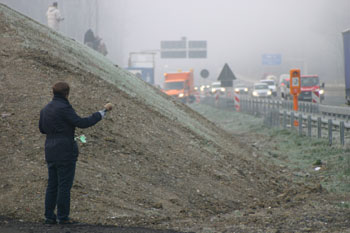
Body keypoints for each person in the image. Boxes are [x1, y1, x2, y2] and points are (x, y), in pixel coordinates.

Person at [39, 82, 112, 224]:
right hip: (65, 150)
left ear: (53, 92)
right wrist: (101, 113)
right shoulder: (64, 108)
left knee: (52, 185)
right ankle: (63, 217)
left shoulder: (45, 109)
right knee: (64, 186)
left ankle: (49, 216)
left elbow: (42, 129)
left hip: (50, 150)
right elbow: (82, 123)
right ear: (67, 93)